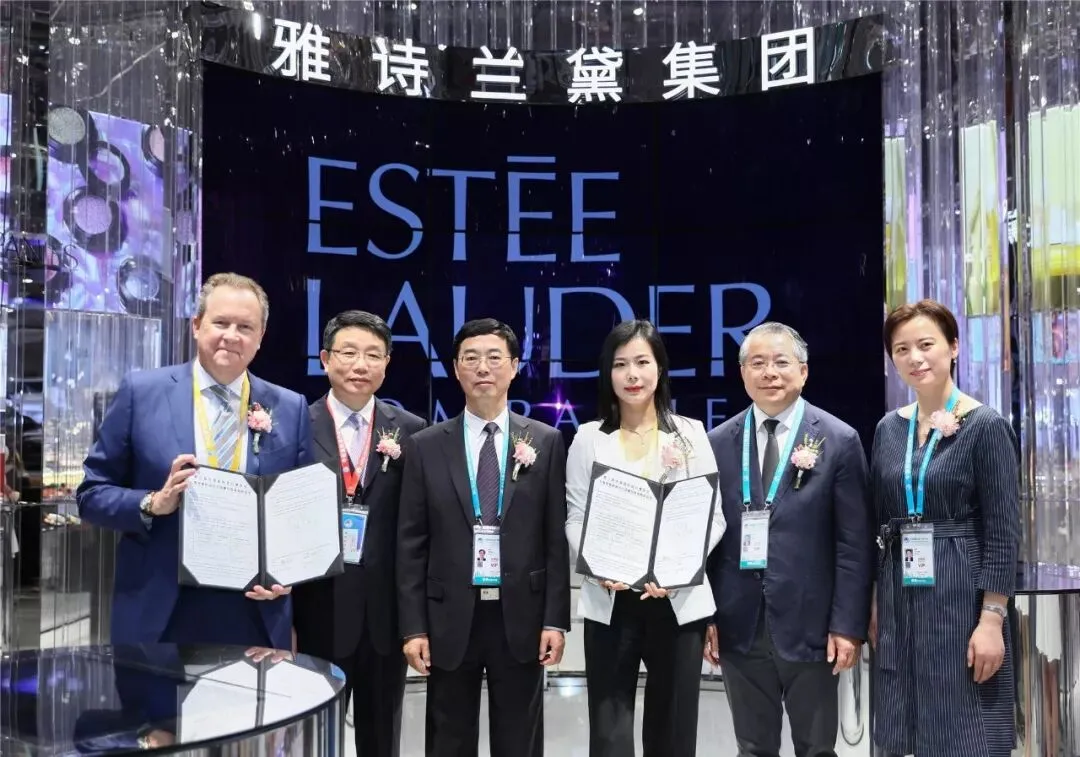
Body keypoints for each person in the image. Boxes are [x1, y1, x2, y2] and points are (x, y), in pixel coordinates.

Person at [76, 273, 312, 649]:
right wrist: (153, 502)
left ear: (260, 337)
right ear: (197, 325)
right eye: (221, 322)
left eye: (245, 327)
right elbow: (90, 494)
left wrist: (288, 573)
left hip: (254, 613)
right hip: (161, 611)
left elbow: (301, 515)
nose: (231, 336)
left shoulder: (290, 407)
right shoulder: (141, 393)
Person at [397, 318, 570, 757]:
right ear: (456, 369)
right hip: (448, 616)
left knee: (519, 740)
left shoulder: (546, 441)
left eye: (494, 357)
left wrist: (554, 620)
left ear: (514, 366)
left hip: (521, 616)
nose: (483, 368)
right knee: (448, 739)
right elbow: (411, 543)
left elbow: (554, 539)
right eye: (470, 358)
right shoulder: (426, 445)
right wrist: (414, 627)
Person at [705, 321, 873, 757]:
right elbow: (706, 542)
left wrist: (847, 626)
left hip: (813, 629)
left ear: (803, 371)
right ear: (743, 373)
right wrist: (708, 617)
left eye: (781, 362)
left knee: (816, 748)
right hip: (740, 626)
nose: (769, 373)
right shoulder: (716, 443)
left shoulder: (839, 440)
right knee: (752, 747)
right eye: (757, 363)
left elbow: (854, 546)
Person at [565, 319, 726, 757]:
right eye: (620, 364)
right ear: (608, 372)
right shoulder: (588, 438)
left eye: (642, 362)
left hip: (676, 600)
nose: (632, 375)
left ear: (660, 369)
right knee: (609, 730)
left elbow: (712, 516)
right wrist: (598, 565)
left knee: (673, 729)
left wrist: (678, 569)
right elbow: (575, 516)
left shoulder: (690, 434)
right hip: (611, 598)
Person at [870, 300, 1019, 757]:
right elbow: (878, 520)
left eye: (926, 344)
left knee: (965, 728)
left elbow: (1003, 532)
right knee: (902, 726)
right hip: (900, 593)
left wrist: (991, 619)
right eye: (901, 349)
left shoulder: (985, 425)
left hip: (961, 593)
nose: (914, 358)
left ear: (953, 347)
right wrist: (875, 600)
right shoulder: (888, 429)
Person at [291, 310, 425, 757]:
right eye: (348, 353)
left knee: (382, 739)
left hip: (385, 619)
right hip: (316, 612)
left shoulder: (411, 431)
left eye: (373, 355)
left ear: (387, 363)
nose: (360, 365)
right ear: (325, 359)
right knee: (314, 739)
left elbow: (416, 532)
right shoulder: (297, 425)